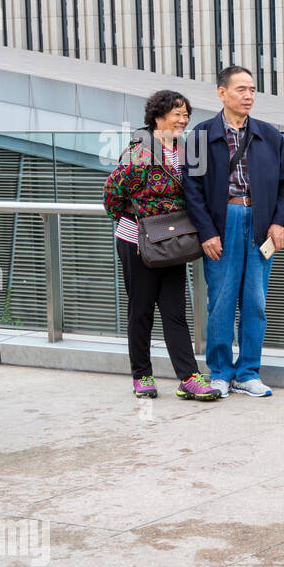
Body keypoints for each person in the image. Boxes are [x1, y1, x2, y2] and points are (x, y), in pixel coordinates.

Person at [181, 65, 284, 397]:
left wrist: (279, 222)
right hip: (221, 222)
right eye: (241, 89)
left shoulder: (269, 135)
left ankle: (247, 372)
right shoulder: (201, 136)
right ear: (222, 93)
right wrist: (206, 232)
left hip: (260, 223)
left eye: (252, 90)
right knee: (221, 301)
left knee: (255, 302)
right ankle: (219, 372)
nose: (248, 96)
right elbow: (192, 190)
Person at [103, 91, 220, 402]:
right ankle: (142, 375)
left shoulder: (187, 150)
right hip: (136, 242)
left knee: (175, 311)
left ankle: (189, 377)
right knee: (140, 311)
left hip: (173, 244)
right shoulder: (139, 152)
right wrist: (138, 223)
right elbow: (111, 194)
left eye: (186, 115)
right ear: (157, 116)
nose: (183, 120)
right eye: (176, 114)